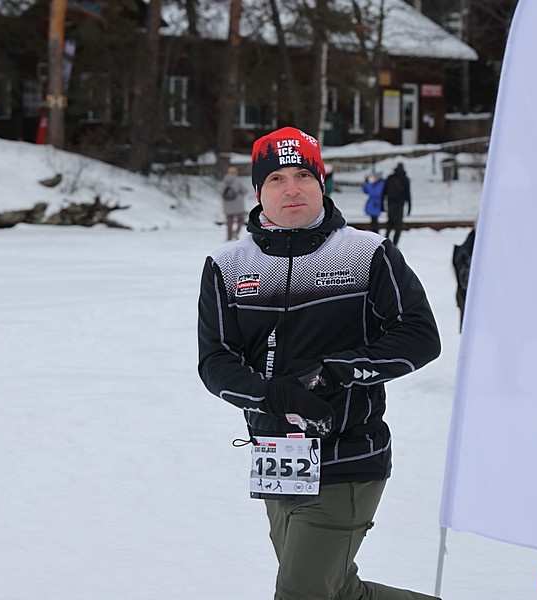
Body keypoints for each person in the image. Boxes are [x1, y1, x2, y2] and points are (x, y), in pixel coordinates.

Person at [197, 126, 441, 600]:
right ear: (258, 191)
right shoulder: (226, 265)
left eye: (303, 176)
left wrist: (334, 371)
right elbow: (215, 359)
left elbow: (420, 337)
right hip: (276, 459)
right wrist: (269, 393)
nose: (291, 189)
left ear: (321, 183)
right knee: (336, 590)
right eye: (277, 179)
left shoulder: (367, 253)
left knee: (302, 593)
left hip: (350, 454)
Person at [382, 162, 412, 245]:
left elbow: (384, 192)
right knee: (398, 226)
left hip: (390, 203)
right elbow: (408, 194)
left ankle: (386, 243)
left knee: (390, 224)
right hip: (400, 204)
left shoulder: (390, 178)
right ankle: (395, 244)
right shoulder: (405, 179)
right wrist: (409, 207)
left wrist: (382, 204)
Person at [221, 166, 249, 241]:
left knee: (229, 221)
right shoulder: (237, 181)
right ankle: (236, 233)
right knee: (241, 219)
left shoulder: (224, 181)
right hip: (238, 204)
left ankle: (229, 236)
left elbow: (220, 192)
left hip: (227, 204)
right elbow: (245, 191)